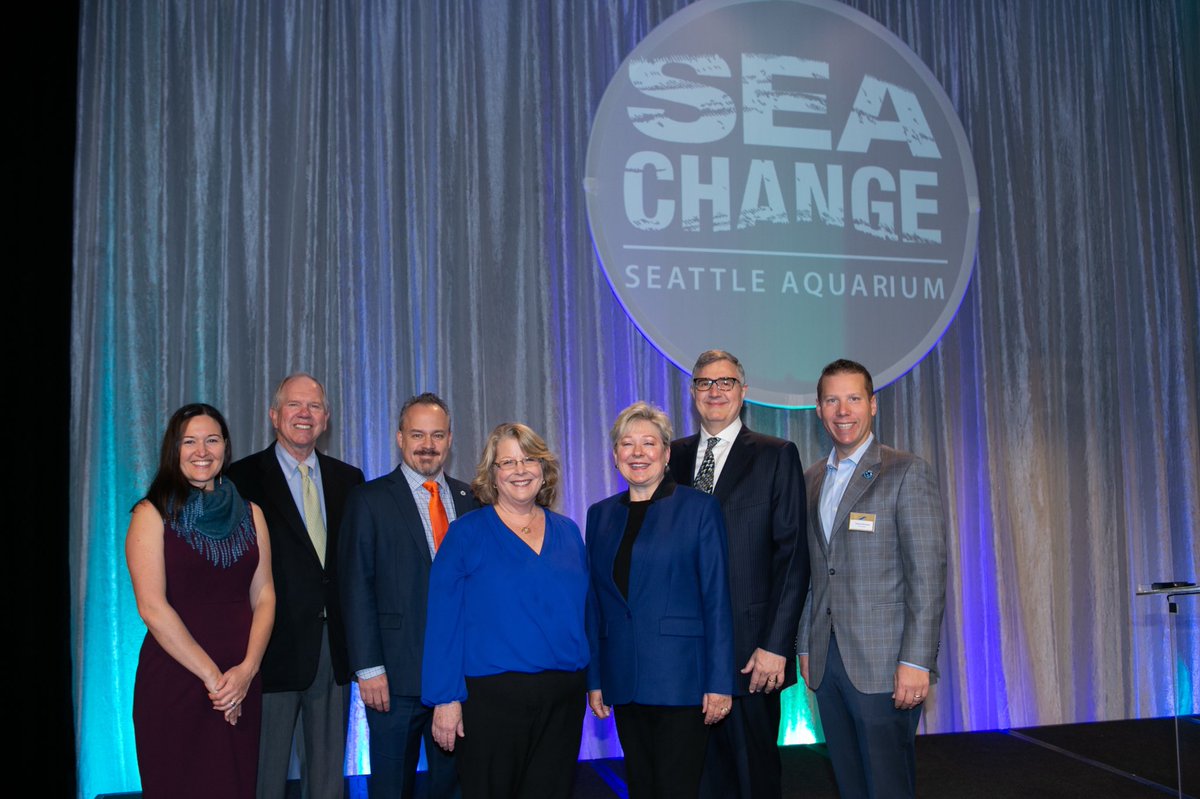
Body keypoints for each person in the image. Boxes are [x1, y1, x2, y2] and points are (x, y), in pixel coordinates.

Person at [798, 359, 947, 799]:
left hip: (887, 665)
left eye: (854, 398)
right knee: (849, 784)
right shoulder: (811, 479)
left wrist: (917, 661)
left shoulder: (905, 472)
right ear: (819, 409)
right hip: (828, 664)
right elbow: (812, 570)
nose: (843, 410)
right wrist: (806, 645)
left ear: (873, 405)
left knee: (887, 785)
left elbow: (928, 574)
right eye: (832, 400)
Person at [422, 423, 591, 799]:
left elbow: (584, 615)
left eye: (529, 459)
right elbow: (442, 623)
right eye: (507, 462)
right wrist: (444, 698)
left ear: (544, 469)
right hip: (490, 703)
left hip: (563, 698)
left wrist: (594, 683)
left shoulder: (569, 532)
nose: (519, 470)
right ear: (492, 474)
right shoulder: (466, 534)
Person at [668, 350, 809, 799]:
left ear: (743, 392)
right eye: (705, 383)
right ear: (692, 392)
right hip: (684, 654)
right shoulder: (669, 457)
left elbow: (792, 558)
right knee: (698, 779)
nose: (715, 391)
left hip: (752, 655)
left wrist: (775, 645)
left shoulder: (776, 455)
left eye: (725, 382)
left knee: (754, 779)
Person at [225, 374, 365, 799]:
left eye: (315, 407)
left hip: (332, 651)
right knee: (263, 778)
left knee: (326, 783)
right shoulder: (240, 478)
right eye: (294, 405)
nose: (305, 414)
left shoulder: (349, 479)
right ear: (274, 415)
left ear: (326, 419)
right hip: (267, 650)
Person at [586, 402, 734, 799]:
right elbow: (596, 606)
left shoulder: (699, 508)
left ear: (667, 454)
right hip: (624, 681)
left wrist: (720, 682)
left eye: (649, 443)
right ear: (615, 455)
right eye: (627, 444)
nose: (638, 453)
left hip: (682, 682)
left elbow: (717, 600)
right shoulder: (599, 516)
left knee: (676, 789)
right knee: (641, 787)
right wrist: (595, 679)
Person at [127, 403, 276, 799]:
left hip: (241, 684)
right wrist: (214, 679)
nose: (202, 451)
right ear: (173, 450)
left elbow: (264, 595)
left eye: (212, 440)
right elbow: (152, 608)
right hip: (177, 683)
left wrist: (246, 671)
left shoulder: (252, 513)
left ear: (226, 447)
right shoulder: (150, 513)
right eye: (189, 441)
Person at [339, 393, 479, 799]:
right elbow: (355, 586)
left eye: (437, 435)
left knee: (452, 785)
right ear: (400, 438)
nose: (427, 444)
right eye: (417, 434)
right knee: (391, 787)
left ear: (450, 439)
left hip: (459, 677)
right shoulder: (369, 499)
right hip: (394, 678)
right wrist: (367, 668)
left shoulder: (472, 500)